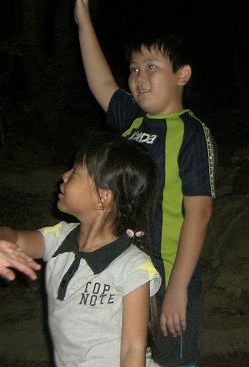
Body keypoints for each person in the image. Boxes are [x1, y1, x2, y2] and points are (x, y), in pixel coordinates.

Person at [73, 0, 216, 367]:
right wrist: (84, 21)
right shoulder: (133, 120)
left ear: (182, 75)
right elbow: (101, 81)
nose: (139, 77)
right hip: (124, 274)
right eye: (134, 69)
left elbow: (199, 214)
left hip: (169, 281)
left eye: (152, 67)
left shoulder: (191, 133)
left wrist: (178, 290)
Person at [0, 134, 162, 367]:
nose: (64, 176)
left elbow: (132, 349)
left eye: (75, 171)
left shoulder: (132, 266)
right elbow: (14, 237)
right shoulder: (58, 238)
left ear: (103, 197)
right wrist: (3, 244)